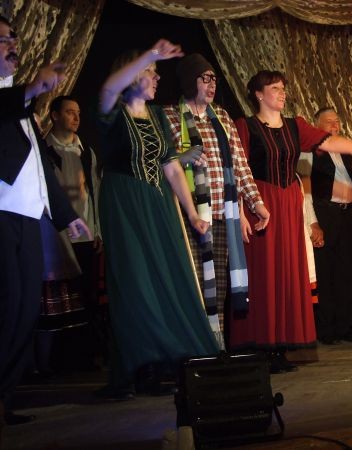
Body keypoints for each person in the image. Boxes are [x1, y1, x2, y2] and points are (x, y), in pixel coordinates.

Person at [231, 70, 352, 374]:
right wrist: (239, 210)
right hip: (260, 202)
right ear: (258, 94)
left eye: (283, 88)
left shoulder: (295, 126)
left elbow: (330, 142)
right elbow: (238, 170)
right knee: (264, 274)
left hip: (288, 205)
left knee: (287, 273)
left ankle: (280, 346)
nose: (282, 93)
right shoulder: (245, 127)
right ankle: (259, 346)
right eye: (275, 88)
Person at [96, 40, 219, 397]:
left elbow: (172, 168)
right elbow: (108, 88)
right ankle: (139, 365)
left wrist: (192, 214)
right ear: (133, 75)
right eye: (150, 72)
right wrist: (148, 55)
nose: (156, 77)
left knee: (168, 276)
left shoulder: (157, 116)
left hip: (159, 204)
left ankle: (168, 361)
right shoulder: (112, 112)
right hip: (125, 204)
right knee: (135, 282)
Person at [0, 15, 90, 425]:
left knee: (24, 311)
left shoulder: (21, 106)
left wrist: (67, 217)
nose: (12, 45)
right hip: (2, 215)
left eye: (13, 38)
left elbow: (40, 168)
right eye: (3, 40)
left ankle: (3, 398)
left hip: (28, 218)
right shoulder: (13, 100)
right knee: (7, 305)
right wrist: (33, 88)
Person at [163, 54, 269, 348]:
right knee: (193, 284)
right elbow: (163, 162)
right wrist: (182, 157)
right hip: (189, 215)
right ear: (190, 80)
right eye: (205, 78)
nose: (212, 85)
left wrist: (256, 203)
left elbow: (239, 164)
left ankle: (216, 347)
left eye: (214, 79)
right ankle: (192, 349)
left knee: (218, 287)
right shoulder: (169, 116)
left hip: (222, 214)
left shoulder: (221, 117)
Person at [44, 95, 104, 370]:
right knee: (57, 299)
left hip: (86, 234)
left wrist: (98, 229)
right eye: (69, 112)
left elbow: (95, 191)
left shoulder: (85, 151)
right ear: (55, 115)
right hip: (57, 236)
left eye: (78, 112)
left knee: (86, 296)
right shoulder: (45, 150)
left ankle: (86, 356)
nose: (76, 118)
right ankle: (58, 359)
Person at [299, 107, 352, 345]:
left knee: (346, 272)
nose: (334, 125)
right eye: (328, 122)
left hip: (346, 215)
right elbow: (305, 192)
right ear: (316, 126)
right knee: (326, 272)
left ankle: (346, 326)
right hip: (324, 214)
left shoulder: (348, 152)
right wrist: (313, 223)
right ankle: (327, 329)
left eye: (336, 121)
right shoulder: (309, 152)